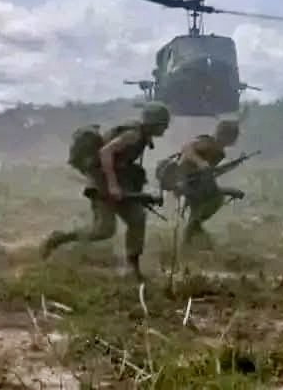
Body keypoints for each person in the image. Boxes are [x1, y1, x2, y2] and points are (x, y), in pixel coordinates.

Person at [40, 101, 171, 281]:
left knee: (137, 218)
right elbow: (105, 152)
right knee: (104, 229)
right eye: (163, 124)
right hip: (102, 181)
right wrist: (112, 185)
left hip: (114, 181)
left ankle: (133, 268)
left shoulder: (141, 136)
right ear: (153, 123)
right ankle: (58, 239)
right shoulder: (133, 135)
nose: (165, 128)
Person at [157, 119, 244, 247]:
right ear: (227, 136)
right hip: (184, 180)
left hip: (193, 182)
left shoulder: (218, 151)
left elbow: (209, 172)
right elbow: (187, 148)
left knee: (204, 207)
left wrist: (232, 166)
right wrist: (200, 162)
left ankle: (192, 238)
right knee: (211, 201)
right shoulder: (208, 143)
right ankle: (189, 240)